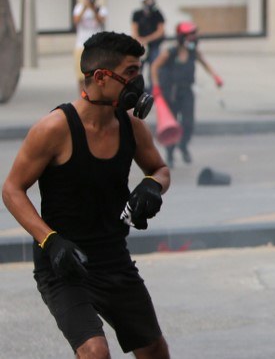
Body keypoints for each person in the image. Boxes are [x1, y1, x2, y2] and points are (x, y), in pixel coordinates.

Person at [1, 31, 171, 358]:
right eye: (132, 73)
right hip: (64, 263)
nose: (139, 83)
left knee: (154, 351)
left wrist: (153, 185)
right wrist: (50, 241)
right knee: (95, 351)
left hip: (113, 258)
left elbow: (160, 169)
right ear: (101, 77)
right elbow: (12, 189)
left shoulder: (131, 127)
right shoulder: (54, 129)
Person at [151, 21, 223, 168]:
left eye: (194, 34)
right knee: (171, 125)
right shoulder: (170, 52)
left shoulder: (193, 52)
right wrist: (156, 87)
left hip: (187, 91)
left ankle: (183, 146)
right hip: (171, 92)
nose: (193, 37)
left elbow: (205, 63)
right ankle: (170, 154)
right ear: (181, 37)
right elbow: (154, 66)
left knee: (188, 123)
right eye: (190, 35)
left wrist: (216, 77)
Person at [73, 0, 108, 92]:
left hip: (95, 46)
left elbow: (101, 20)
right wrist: (85, 7)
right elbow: (76, 21)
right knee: (80, 75)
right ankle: (81, 96)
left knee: (95, 73)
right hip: (81, 44)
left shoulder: (101, 9)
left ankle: (93, 95)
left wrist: (93, 9)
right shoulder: (79, 8)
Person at [131, 0, 165, 87]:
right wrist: (140, 41)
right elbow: (134, 31)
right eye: (148, 0)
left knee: (154, 69)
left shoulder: (157, 13)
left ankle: (154, 91)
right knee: (138, 70)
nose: (151, 2)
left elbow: (161, 31)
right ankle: (138, 90)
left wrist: (146, 39)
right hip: (141, 46)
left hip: (154, 46)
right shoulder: (137, 14)